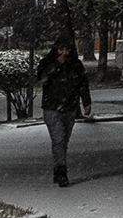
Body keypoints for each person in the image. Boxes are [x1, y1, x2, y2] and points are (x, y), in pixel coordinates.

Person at [35, 37, 92, 187]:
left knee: (64, 141)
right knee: (58, 140)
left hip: (70, 107)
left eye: (66, 50)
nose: (64, 53)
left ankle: (57, 166)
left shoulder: (76, 65)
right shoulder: (47, 63)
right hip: (52, 108)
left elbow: (82, 84)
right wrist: (56, 65)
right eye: (61, 50)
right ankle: (62, 173)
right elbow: (41, 79)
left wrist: (86, 102)